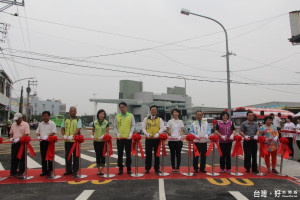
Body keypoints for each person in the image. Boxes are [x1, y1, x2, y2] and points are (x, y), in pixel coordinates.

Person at [142, 105, 165, 175]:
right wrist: (146, 133)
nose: (153, 111)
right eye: (152, 110)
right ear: (150, 110)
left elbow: (162, 128)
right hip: (148, 139)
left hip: (156, 139)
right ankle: (147, 168)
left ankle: (157, 169)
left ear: (156, 111)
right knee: (148, 154)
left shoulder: (159, 119)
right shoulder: (146, 119)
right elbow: (143, 128)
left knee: (157, 154)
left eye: (155, 110)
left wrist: (158, 133)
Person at [114, 102, 135, 175]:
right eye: (120, 107)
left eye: (123, 107)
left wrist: (131, 133)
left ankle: (129, 168)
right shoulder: (117, 116)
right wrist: (117, 133)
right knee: (120, 154)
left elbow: (133, 125)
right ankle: (120, 168)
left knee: (128, 154)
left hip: (128, 138)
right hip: (120, 138)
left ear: (126, 107)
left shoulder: (130, 115)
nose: (122, 109)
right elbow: (115, 126)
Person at [61, 106, 82, 178]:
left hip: (75, 140)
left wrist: (72, 135)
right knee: (68, 155)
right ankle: (68, 170)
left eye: (74, 111)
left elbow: (78, 129)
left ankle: (75, 170)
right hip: (67, 140)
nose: (73, 112)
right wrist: (64, 135)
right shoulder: (66, 119)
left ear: (76, 112)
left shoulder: (78, 119)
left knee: (76, 156)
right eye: (72, 111)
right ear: (69, 112)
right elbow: (62, 128)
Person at [9, 113, 30, 178]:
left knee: (22, 158)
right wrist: (11, 138)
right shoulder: (13, 124)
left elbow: (26, 134)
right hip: (14, 143)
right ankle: (13, 172)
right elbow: (11, 133)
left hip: (22, 143)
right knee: (14, 157)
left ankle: (21, 172)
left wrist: (19, 138)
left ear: (21, 118)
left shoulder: (25, 124)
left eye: (18, 120)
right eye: (16, 120)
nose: (16, 121)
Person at [36, 111, 57, 177]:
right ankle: (44, 170)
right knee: (43, 157)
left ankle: (50, 171)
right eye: (43, 116)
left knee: (50, 157)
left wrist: (47, 135)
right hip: (42, 141)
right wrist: (38, 136)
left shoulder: (52, 123)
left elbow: (53, 132)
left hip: (49, 142)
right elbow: (37, 131)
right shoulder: (40, 124)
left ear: (49, 116)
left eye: (46, 116)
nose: (44, 117)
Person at [91, 109, 109, 175]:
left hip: (103, 141)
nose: (101, 115)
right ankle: (98, 170)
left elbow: (107, 131)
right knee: (97, 155)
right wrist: (92, 135)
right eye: (100, 114)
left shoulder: (106, 122)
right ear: (98, 114)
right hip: (96, 141)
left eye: (103, 114)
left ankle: (102, 170)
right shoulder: (95, 122)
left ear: (104, 115)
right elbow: (93, 131)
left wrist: (104, 136)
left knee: (103, 155)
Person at [166, 108, 184, 173]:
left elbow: (182, 130)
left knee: (178, 155)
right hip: (171, 140)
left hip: (178, 141)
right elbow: (167, 130)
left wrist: (180, 136)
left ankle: (178, 167)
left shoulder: (181, 122)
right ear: (172, 114)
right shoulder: (170, 121)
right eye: (174, 112)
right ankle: (173, 168)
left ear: (178, 113)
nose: (175, 113)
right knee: (172, 155)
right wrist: (171, 135)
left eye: (176, 112)